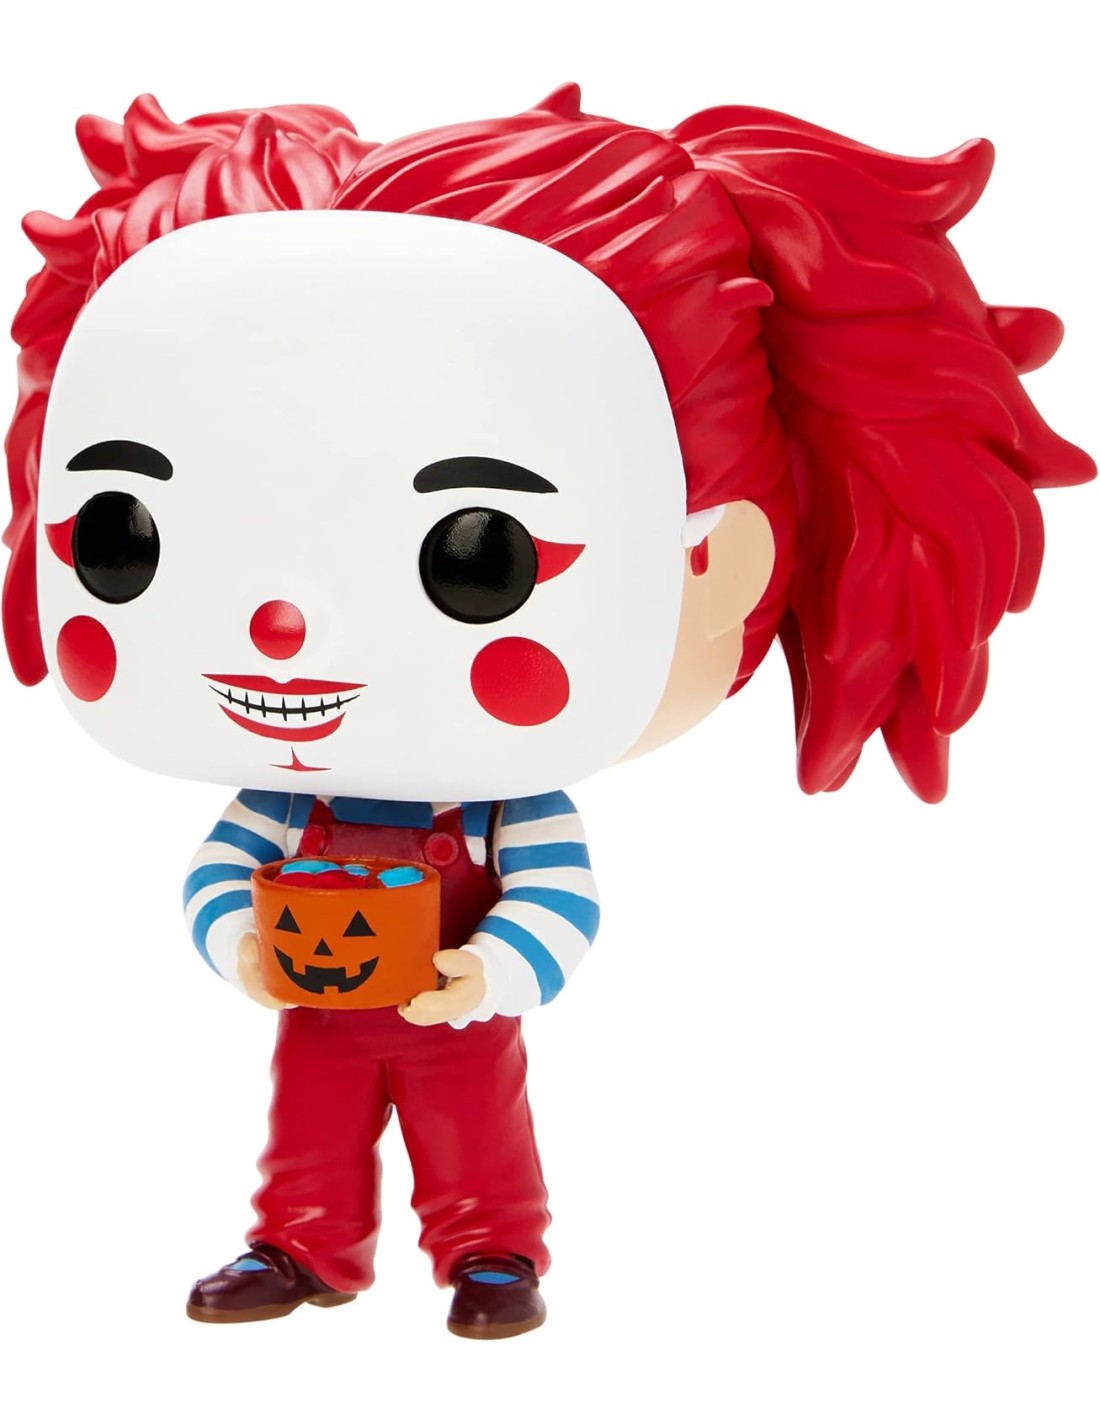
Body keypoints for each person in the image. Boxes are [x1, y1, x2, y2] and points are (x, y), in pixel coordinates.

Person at [3, 86, 1092, 1338]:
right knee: (309, 1116)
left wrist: (490, 968)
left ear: (714, 563)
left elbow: (561, 899)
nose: (281, 631)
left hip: (455, 1002)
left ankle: (490, 1249)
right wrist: (234, 938)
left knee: (473, 1119)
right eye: (125, 537)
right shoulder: (283, 799)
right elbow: (220, 866)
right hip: (321, 998)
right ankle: (301, 1241)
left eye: (478, 560)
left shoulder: (504, 807)